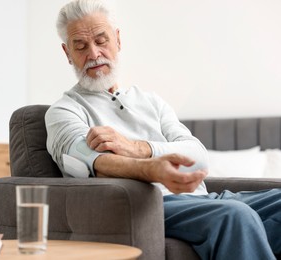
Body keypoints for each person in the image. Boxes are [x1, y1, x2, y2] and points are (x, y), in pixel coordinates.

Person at [45, 0, 281, 259]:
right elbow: (89, 162)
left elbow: (198, 156)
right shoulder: (64, 111)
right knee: (236, 216)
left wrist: (137, 148)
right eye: (81, 46)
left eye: (101, 41)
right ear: (68, 53)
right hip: (151, 206)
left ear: (118, 40)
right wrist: (152, 169)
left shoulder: (151, 102)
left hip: (206, 200)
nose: (93, 53)